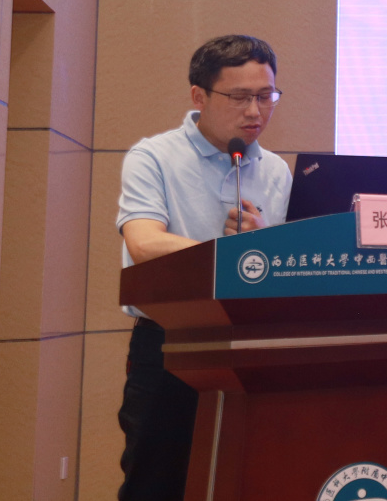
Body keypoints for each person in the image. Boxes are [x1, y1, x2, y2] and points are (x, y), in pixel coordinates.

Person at [116, 34, 293, 501]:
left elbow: (280, 267)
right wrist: (230, 255)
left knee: (248, 481)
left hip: (252, 344)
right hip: (172, 344)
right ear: (199, 96)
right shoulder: (154, 157)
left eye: (266, 96)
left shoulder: (275, 170)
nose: (255, 112)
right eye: (239, 97)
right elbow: (144, 242)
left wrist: (263, 244)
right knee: (157, 484)